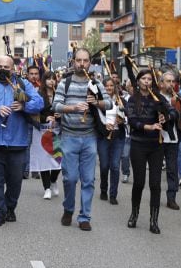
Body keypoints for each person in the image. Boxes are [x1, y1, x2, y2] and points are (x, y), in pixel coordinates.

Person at [0, 54, 43, 225]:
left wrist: (24, 106)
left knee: (15, 181)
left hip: (17, 142)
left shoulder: (23, 84)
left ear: (13, 69)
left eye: (6, 67)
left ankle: (10, 207)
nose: (2, 69)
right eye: (0, 66)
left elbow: (39, 102)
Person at [52, 49, 107, 231]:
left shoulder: (96, 83)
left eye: (85, 61)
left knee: (89, 179)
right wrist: (73, 107)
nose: (81, 64)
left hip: (90, 137)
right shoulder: (65, 83)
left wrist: (96, 102)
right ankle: (68, 209)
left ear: (90, 63)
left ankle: (84, 216)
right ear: (73, 62)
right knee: (70, 178)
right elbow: (56, 105)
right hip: (69, 136)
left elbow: (110, 103)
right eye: (78, 60)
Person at [125, 70, 178, 234]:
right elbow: (132, 121)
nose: (147, 81)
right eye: (144, 79)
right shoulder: (133, 99)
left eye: (149, 79)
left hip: (156, 145)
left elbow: (173, 112)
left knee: (155, 184)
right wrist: (148, 126)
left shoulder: (158, 98)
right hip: (138, 145)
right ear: (138, 81)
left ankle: (154, 220)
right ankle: (134, 214)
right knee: (139, 183)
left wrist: (165, 117)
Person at [30, 71, 62, 200]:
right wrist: (44, 118)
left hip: (56, 130)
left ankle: (53, 181)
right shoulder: (38, 94)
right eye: (48, 79)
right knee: (43, 160)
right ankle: (47, 188)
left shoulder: (59, 94)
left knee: (58, 159)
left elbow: (64, 109)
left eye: (53, 79)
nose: (51, 81)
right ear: (44, 81)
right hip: (41, 131)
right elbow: (33, 112)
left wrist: (61, 114)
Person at [96, 75, 126, 207]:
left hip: (118, 136)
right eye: (106, 86)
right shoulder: (100, 101)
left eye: (111, 85)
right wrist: (103, 127)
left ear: (115, 87)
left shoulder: (121, 100)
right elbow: (96, 119)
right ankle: (103, 188)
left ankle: (113, 194)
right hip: (103, 136)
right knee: (104, 165)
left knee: (115, 166)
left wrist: (123, 120)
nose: (109, 88)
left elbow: (129, 116)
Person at [158, 70, 181, 211]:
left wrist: (175, 105)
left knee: (172, 169)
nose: (171, 84)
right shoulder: (155, 97)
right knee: (155, 169)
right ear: (161, 83)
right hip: (158, 137)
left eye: (173, 81)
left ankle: (171, 198)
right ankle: (155, 194)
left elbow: (180, 116)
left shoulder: (177, 98)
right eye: (168, 81)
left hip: (173, 139)